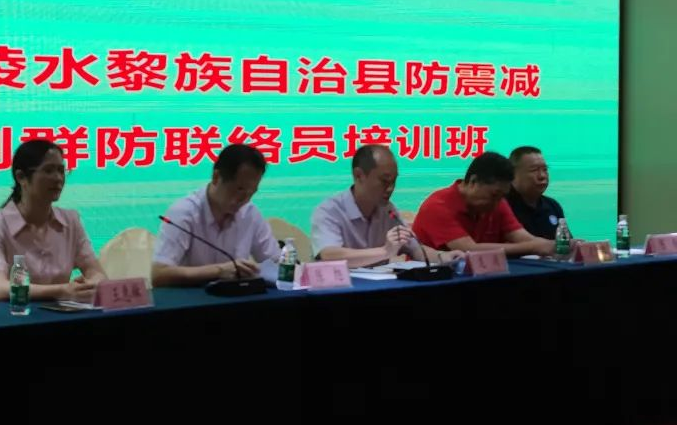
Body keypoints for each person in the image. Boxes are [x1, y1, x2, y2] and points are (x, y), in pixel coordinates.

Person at [0, 139, 107, 302]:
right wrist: (61, 290)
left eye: (61, 171)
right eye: (48, 170)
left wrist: (92, 283)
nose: (58, 178)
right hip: (10, 313)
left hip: (58, 313)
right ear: (21, 177)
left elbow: (96, 272)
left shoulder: (71, 221)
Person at [152, 144, 281, 287]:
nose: (244, 199)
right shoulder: (184, 212)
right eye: (240, 189)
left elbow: (277, 263)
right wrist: (218, 271)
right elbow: (158, 275)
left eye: (251, 192)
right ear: (216, 177)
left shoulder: (250, 213)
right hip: (192, 299)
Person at [311, 144, 461, 267]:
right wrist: (384, 251)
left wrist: (444, 256)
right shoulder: (329, 211)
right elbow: (329, 255)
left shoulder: (389, 211)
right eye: (384, 181)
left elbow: (416, 250)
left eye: (394, 181)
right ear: (359, 175)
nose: (390, 188)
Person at [412, 151, 555, 256]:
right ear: (473, 181)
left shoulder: (498, 201)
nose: (498, 203)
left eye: (502, 196)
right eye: (494, 195)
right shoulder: (438, 206)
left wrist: (553, 246)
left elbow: (523, 238)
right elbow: (468, 249)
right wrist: (533, 247)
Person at [506, 146, 566, 240]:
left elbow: (566, 243)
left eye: (545, 169)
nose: (542, 176)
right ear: (512, 174)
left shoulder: (552, 205)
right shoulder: (502, 206)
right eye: (534, 170)